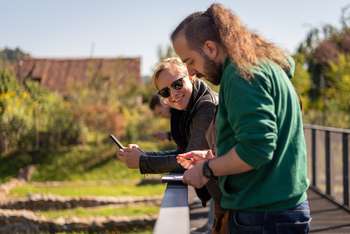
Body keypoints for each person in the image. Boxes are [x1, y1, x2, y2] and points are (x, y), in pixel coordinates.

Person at [171, 3, 311, 234]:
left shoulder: (240, 75)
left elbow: (257, 149)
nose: (192, 73)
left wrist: (206, 169)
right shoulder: (259, 66)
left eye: (190, 62)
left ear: (210, 48)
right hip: (275, 212)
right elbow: (257, 144)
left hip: (264, 217)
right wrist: (214, 156)